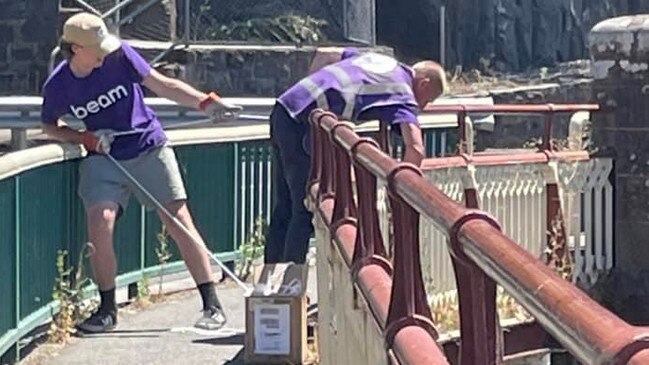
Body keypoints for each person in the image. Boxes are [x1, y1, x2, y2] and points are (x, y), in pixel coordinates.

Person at [40, 12, 242, 333]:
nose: (104, 53)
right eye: (96, 48)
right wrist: (84, 138)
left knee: (178, 220)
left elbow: (163, 85)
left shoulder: (120, 56)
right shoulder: (59, 86)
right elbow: (50, 126)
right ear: (76, 49)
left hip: (148, 146)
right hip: (104, 156)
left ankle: (211, 304)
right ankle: (107, 310)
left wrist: (206, 103)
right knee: (100, 221)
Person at [264, 47, 447, 265]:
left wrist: (313, 98)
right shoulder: (403, 91)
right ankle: (289, 285)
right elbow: (416, 148)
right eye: (428, 100)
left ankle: (269, 279)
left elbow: (325, 54)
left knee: (284, 204)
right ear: (424, 83)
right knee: (304, 208)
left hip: (286, 107)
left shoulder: (380, 61)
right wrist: (403, 194)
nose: (423, 108)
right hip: (301, 125)